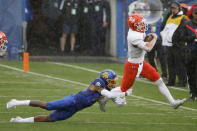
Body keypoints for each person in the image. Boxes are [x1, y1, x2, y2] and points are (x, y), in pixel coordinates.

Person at [6, 69, 131, 123]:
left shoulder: (105, 90)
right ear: (105, 79)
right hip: (72, 101)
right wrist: (123, 91)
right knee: (47, 106)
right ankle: (16, 102)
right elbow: (107, 94)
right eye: (112, 81)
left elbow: (103, 104)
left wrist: (119, 97)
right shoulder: (98, 82)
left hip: (75, 109)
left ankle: (20, 120)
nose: (113, 83)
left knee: (49, 119)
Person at [118, 14, 186, 109]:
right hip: (133, 65)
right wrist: (154, 37)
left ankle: (173, 102)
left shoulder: (136, 31)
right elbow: (148, 48)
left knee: (159, 81)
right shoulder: (133, 36)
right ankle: (104, 96)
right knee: (123, 90)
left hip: (141, 63)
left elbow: (144, 41)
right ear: (134, 25)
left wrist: (148, 38)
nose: (142, 25)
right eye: (139, 24)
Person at [161, 1, 187, 87]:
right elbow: (166, 28)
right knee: (170, 63)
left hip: (178, 45)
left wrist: (175, 41)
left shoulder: (183, 18)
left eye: (175, 8)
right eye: (172, 8)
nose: (173, 10)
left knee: (179, 64)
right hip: (169, 44)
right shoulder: (170, 17)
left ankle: (182, 81)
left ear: (178, 8)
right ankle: (171, 81)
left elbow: (181, 32)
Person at [176, 7, 197, 100]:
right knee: (191, 74)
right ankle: (193, 93)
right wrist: (193, 37)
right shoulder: (187, 24)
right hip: (191, 52)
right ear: (193, 14)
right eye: (196, 13)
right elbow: (182, 37)